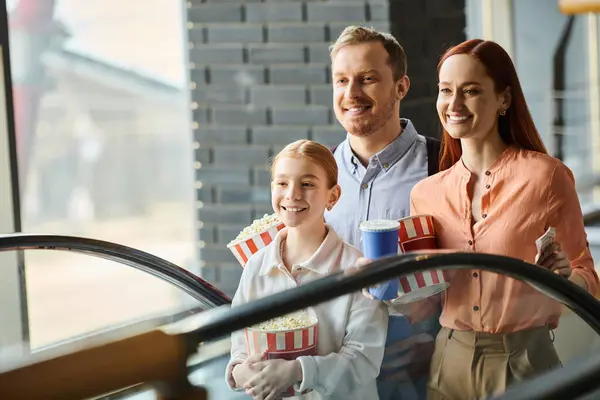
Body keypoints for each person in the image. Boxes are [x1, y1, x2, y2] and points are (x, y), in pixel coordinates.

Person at [409, 38, 599, 399]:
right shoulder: (425, 194)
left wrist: (563, 278)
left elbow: (587, 275)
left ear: (504, 99)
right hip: (449, 359)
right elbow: (427, 297)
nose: (454, 104)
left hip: (524, 360)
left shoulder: (546, 176)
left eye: (471, 91)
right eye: (445, 90)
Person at [324, 25, 441, 399]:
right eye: (341, 80)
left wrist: (439, 343)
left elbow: (476, 271)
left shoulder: (443, 165)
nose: (351, 93)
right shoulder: (315, 174)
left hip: (419, 367)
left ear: (401, 87)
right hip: (333, 367)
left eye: (367, 79)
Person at [226, 139, 388, 400]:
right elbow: (240, 345)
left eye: (307, 184)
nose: (292, 194)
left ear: (332, 196)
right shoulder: (256, 266)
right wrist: (240, 371)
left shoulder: (356, 269)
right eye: (282, 183)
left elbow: (363, 361)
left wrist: (296, 371)